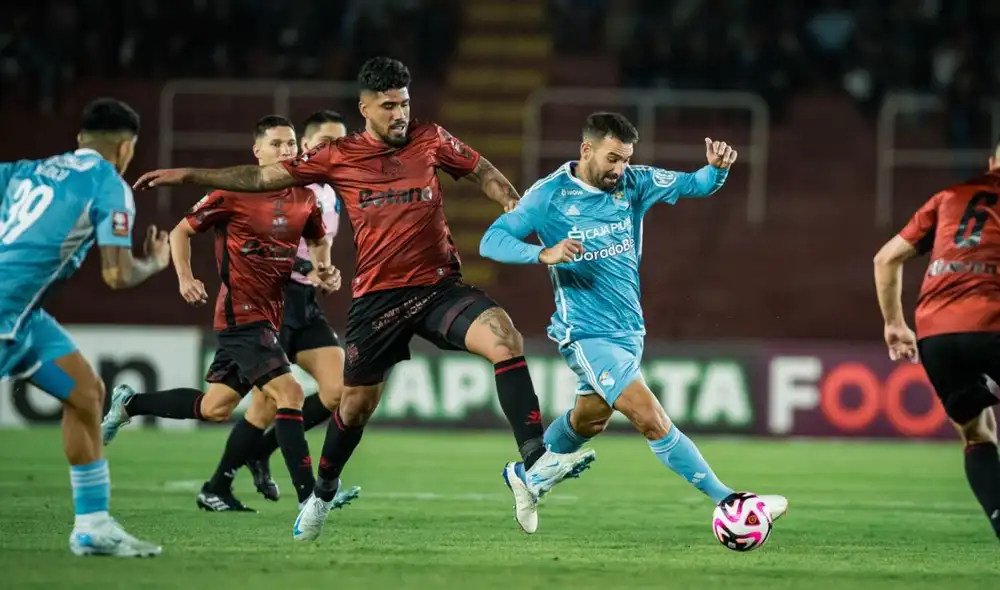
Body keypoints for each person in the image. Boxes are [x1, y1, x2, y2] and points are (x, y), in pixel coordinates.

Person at [130, 56, 595, 541]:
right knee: (354, 408)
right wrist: (189, 175)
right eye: (389, 106)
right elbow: (263, 179)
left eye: (404, 103)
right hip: (378, 300)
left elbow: (483, 170)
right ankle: (322, 492)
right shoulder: (338, 155)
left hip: (437, 286)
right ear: (365, 108)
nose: (400, 114)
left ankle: (532, 462)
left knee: (504, 338)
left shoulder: (431, 138)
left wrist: (510, 202)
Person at [479, 112, 789, 534]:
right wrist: (542, 254)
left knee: (589, 420)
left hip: (629, 330)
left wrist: (716, 171)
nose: (620, 169)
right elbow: (492, 239)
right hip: (586, 333)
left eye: (625, 159)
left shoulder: (634, 183)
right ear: (586, 150)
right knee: (650, 417)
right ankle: (733, 502)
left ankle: (527, 476)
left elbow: (694, 184)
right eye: (613, 159)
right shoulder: (549, 195)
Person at [102, 115, 341, 519]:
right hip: (240, 315)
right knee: (290, 394)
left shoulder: (306, 197)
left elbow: (318, 240)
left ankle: (131, 404)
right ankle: (309, 500)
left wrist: (323, 269)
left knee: (215, 407)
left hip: (273, 314)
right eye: (277, 144)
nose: (286, 150)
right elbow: (181, 231)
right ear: (258, 151)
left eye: (290, 144)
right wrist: (185, 277)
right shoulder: (232, 192)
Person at [0, 98, 166, 556]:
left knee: (86, 394)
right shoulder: (109, 185)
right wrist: (153, 263)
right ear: (127, 147)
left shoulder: (26, 170)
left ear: (79, 140)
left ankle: (93, 527)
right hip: (6, 313)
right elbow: (116, 275)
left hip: (26, 320)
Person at [220, 110, 354, 506]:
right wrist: (307, 268)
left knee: (339, 391)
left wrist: (326, 273)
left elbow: (317, 249)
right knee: (261, 403)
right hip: (272, 300)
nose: (335, 150)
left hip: (306, 304)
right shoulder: (279, 186)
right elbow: (260, 246)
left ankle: (261, 452)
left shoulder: (330, 192)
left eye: (341, 143)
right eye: (326, 143)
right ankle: (218, 484)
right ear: (306, 146)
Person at [873, 138, 1000, 542]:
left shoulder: (949, 197)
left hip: (937, 334)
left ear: (992, 160)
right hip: (993, 319)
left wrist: (894, 325)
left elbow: (885, 258)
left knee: (977, 433)